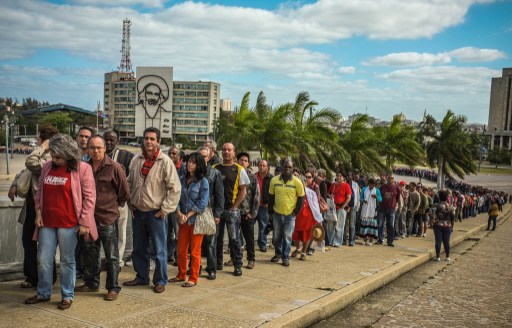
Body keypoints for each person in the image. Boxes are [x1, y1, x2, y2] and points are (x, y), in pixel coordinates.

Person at [25, 134, 97, 310]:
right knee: (43, 259)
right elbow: (40, 191)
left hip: (69, 223)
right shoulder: (48, 166)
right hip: (47, 222)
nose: (54, 159)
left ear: (69, 154)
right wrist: (38, 212)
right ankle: (43, 293)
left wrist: (85, 222)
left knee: (67, 260)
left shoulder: (83, 169)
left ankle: (67, 295)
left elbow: (89, 198)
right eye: (53, 155)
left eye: (58, 156)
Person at [124, 127, 181, 294]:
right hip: (138, 212)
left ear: (158, 142)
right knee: (139, 248)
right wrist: (130, 201)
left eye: (152, 139)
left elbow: (175, 189)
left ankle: (160, 280)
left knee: (159, 250)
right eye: (146, 138)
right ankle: (141, 276)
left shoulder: (165, 162)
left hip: (156, 213)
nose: (149, 141)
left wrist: (165, 210)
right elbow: (129, 181)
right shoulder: (136, 160)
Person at [75, 135, 129, 301]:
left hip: (107, 218)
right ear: (88, 149)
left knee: (112, 255)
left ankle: (113, 287)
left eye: (99, 147)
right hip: (89, 219)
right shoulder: (84, 167)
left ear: (105, 148)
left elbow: (124, 193)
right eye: (92, 148)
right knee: (91, 253)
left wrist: (111, 207)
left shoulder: (114, 167)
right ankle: (91, 283)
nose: (96, 151)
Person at [8, 124, 58, 289]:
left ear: (45, 141)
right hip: (31, 208)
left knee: (45, 246)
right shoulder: (40, 156)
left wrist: (43, 147)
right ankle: (31, 276)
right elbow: (24, 172)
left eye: (39, 139)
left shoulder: (50, 159)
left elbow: (30, 163)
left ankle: (47, 278)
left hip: (43, 210)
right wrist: (15, 184)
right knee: (28, 243)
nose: (36, 142)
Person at [169, 152, 209, 287]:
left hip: (196, 221)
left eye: (193, 162)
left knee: (195, 251)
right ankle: (181, 274)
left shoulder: (203, 182)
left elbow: (202, 203)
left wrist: (189, 214)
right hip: (182, 220)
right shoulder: (181, 179)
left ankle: (193, 278)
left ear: (199, 165)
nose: (189, 164)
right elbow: (175, 197)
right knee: (180, 250)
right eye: (188, 161)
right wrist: (179, 213)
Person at [213, 143, 249, 276]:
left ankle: (237, 265)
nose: (226, 152)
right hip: (217, 211)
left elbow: (243, 190)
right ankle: (218, 263)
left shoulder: (239, 169)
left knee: (234, 239)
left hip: (231, 211)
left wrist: (235, 206)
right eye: (224, 150)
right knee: (217, 239)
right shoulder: (214, 168)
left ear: (234, 153)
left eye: (229, 150)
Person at [103, 130, 134, 268]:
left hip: (120, 201)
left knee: (121, 232)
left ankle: (118, 261)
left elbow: (131, 177)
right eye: (106, 139)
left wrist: (125, 198)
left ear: (117, 141)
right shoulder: (97, 154)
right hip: (102, 203)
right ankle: (106, 259)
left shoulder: (126, 156)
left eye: (112, 140)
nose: (109, 142)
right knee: (105, 233)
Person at [268, 159, 305, 266]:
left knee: (287, 237)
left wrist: (296, 211)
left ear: (292, 169)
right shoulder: (274, 180)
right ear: (282, 167)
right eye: (286, 167)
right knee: (276, 237)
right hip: (277, 214)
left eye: (290, 167)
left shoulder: (297, 182)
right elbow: (271, 197)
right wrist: (270, 212)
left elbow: (301, 198)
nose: (287, 169)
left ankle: (285, 257)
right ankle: (278, 254)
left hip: (290, 215)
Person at [197, 147, 224, 280]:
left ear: (209, 157)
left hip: (210, 212)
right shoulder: (192, 171)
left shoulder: (215, 173)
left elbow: (219, 196)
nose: (202, 158)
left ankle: (211, 269)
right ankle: (196, 267)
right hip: (195, 212)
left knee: (211, 242)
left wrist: (217, 214)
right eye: (200, 156)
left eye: (205, 156)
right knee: (196, 243)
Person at [236, 152, 260, 269]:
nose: (243, 162)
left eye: (245, 161)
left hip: (247, 213)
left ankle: (251, 259)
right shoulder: (234, 174)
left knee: (249, 238)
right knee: (234, 238)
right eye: (241, 160)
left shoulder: (252, 177)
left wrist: (252, 213)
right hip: (235, 212)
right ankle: (235, 257)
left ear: (248, 163)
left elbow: (256, 195)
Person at [292, 174, 322, 260]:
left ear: (305, 183)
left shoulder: (311, 193)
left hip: (308, 217)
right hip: (297, 216)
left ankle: (304, 252)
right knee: (294, 234)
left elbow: (315, 206)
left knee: (306, 235)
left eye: (302, 182)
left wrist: (318, 217)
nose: (301, 184)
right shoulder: (294, 192)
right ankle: (298, 248)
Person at [327, 172, 352, 247]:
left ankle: (337, 242)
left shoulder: (346, 185)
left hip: (341, 208)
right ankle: (330, 241)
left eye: (340, 176)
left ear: (343, 177)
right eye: (337, 176)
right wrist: (330, 195)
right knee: (330, 226)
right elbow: (328, 193)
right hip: (333, 208)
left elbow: (349, 197)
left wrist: (343, 206)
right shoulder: (333, 185)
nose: (338, 177)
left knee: (339, 226)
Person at [255, 159, 273, 252]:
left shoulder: (271, 178)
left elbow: (274, 193)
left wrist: (269, 203)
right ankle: (246, 244)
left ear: (268, 167)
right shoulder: (254, 176)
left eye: (264, 165)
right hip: (254, 206)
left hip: (264, 206)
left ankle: (262, 244)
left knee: (263, 226)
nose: (262, 167)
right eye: (260, 165)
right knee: (249, 225)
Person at [377, 175, 400, 247]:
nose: (390, 179)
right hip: (382, 208)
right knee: (380, 224)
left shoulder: (396, 187)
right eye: (389, 178)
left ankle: (390, 241)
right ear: (387, 179)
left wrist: (395, 204)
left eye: (392, 178)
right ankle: (380, 239)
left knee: (390, 225)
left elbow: (398, 197)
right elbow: (379, 196)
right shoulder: (382, 187)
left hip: (391, 209)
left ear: (394, 179)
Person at [431, 190, 454, 261]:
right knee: (446, 241)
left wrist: (433, 221)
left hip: (437, 225)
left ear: (439, 197)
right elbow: (453, 217)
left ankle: (438, 257)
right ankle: (447, 256)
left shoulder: (435, 205)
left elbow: (431, 215)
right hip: (448, 225)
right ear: (447, 197)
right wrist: (452, 226)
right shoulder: (450, 206)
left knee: (438, 241)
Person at [358, 178, 381, 245]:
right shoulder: (364, 189)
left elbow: (380, 199)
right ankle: (365, 239)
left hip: (373, 210)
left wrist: (376, 197)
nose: (372, 186)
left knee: (372, 225)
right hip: (365, 209)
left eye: (373, 185)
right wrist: (363, 200)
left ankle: (371, 240)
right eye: (371, 185)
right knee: (365, 224)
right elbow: (360, 197)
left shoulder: (377, 191)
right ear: (369, 184)